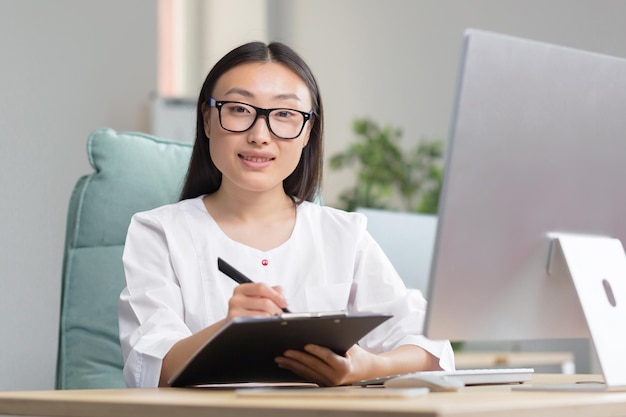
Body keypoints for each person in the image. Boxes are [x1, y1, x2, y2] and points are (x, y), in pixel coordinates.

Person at [118, 41, 454, 388]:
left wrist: (364, 368)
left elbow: (431, 346)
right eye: (238, 109)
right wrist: (226, 331)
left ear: (308, 131)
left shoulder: (343, 234)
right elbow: (149, 365)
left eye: (284, 114)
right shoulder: (158, 232)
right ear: (207, 119)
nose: (259, 135)